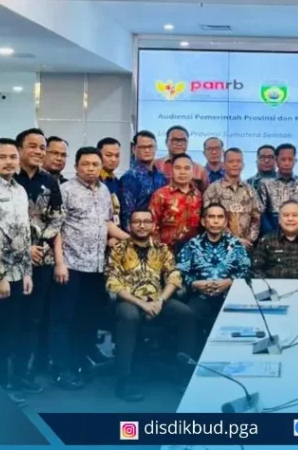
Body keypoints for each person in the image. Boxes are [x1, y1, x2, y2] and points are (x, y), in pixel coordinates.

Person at [51, 147, 130, 389]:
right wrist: (59, 263)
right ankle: (60, 368)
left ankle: (80, 361)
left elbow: (106, 224)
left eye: (95, 164)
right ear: (76, 166)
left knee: (87, 317)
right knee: (65, 318)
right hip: (71, 265)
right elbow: (56, 228)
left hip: (96, 267)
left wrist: (133, 240)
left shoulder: (104, 190)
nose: (91, 168)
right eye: (85, 164)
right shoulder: (65, 190)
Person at [107, 207, 198, 402]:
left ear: (153, 225)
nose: (141, 225)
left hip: (157, 300)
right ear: (129, 225)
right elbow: (113, 282)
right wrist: (142, 304)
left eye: (146, 221)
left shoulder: (162, 249)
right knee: (129, 317)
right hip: (129, 300)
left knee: (186, 314)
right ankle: (124, 380)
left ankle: (184, 373)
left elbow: (174, 276)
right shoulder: (119, 249)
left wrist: (160, 301)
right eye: (136, 221)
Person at [0, 138, 38, 395]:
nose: (8, 162)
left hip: (19, 273)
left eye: (13, 157)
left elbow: (25, 234)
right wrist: (1, 276)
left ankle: (11, 380)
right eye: (2, 157)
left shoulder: (20, 190)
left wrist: (27, 271)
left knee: (13, 329)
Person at [14, 128, 65, 379]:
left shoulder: (50, 182)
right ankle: (6, 371)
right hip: (11, 260)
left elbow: (57, 220)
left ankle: (24, 371)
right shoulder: (8, 179)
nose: (38, 151)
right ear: (19, 149)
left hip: (42, 259)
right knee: (11, 317)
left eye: (42, 147)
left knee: (35, 318)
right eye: (32, 146)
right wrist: (24, 246)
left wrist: (51, 254)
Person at [176, 203, 252, 336]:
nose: (216, 221)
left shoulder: (236, 244)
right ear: (203, 221)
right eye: (211, 217)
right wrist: (194, 283)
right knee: (187, 317)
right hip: (200, 297)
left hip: (229, 296)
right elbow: (180, 271)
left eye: (220, 217)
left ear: (225, 222)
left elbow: (246, 270)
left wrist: (230, 282)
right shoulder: (192, 244)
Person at [202, 148, 262, 248]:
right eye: (231, 161)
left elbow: (256, 218)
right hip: (219, 245)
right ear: (224, 165)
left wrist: (249, 239)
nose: (235, 164)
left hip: (246, 246)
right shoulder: (213, 189)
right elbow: (209, 219)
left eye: (238, 161)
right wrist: (234, 240)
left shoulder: (251, 190)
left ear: (243, 165)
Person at [252, 201, 298, 280]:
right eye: (286, 215)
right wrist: (270, 285)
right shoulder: (267, 240)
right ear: (279, 219)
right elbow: (256, 268)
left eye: (295, 215)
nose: (290, 219)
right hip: (273, 287)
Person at [149, 153, 203, 251]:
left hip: (193, 252)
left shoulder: (198, 195)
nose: (182, 172)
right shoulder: (160, 195)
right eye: (178, 168)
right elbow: (152, 225)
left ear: (193, 171)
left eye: (187, 168)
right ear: (171, 170)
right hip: (167, 252)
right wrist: (158, 251)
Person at [258, 143, 298, 236]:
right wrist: (270, 234)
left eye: (290, 160)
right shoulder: (265, 183)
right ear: (276, 161)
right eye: (283, 159)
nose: (287, 163)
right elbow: (261, 212)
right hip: (272, 228)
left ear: (295, 161)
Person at [120, 130, 168, 227]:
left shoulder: (161, 177)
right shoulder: (129, 178)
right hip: (139, 231)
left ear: (156, 148)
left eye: (150, 147)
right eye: (142, 147)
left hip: (160, 231)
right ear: (134, 149)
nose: (147, 150)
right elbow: (127, 215)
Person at [154, 126, 209, 192]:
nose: (179, 144)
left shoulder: (199, 170)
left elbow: (205, 194)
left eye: (183, 140)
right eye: (175, 140)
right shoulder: (155, 165)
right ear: (166, 142)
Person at [97, 137, 125, 223]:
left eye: (117, 155)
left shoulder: (116, 180)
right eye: (108, 155)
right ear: (98, 155)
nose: (113, 159)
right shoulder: (94, 180)